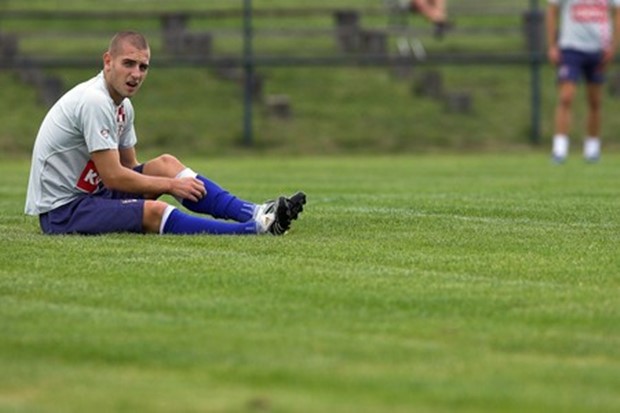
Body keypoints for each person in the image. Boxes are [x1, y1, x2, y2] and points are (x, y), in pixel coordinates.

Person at [25, 31, 306, 236]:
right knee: (153, 211)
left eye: (143, 66)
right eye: (128, 63)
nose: (136, 74)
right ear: (108, 61)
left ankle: (256, 212)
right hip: (64, 211)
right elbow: (113, 176)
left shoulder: (123, 106)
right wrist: (169, 187)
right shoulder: (95, 101)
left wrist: (166, 179)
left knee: (166, 164)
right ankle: (253, 230)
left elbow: (129, 168)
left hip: (95, 195)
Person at [547, 0, 620, 163]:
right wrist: (552, 45)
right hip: (571, 48)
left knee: (595, 101)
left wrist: (614, 46)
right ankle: (559, 149)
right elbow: (552, 11)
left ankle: (592, 149)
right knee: (566, 96)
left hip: (598, 49)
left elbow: (617, 13)